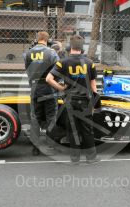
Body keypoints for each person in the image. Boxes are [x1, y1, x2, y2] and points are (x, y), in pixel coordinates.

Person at [46, 35, 99, 165]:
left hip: (70, 100)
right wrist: (95, 103)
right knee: (87, 130)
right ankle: (91, 158)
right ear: (82, 47)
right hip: (85, 102)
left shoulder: (63, 62)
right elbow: (93, 85)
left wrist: (61, 88)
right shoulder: (89, 63)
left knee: (73, 130)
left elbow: (48, 79)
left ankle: (75, 159)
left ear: (70, 46)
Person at [24, 31, 59, 156]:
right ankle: (51, 146)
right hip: (49, 88)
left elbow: (28, 70)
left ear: (37, 39)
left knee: (35, 118)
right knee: (51, 117)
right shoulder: (51, 52)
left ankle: (35, 148)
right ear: (47, 40)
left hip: (35, 87)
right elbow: (58, 70)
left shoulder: (28, 53)